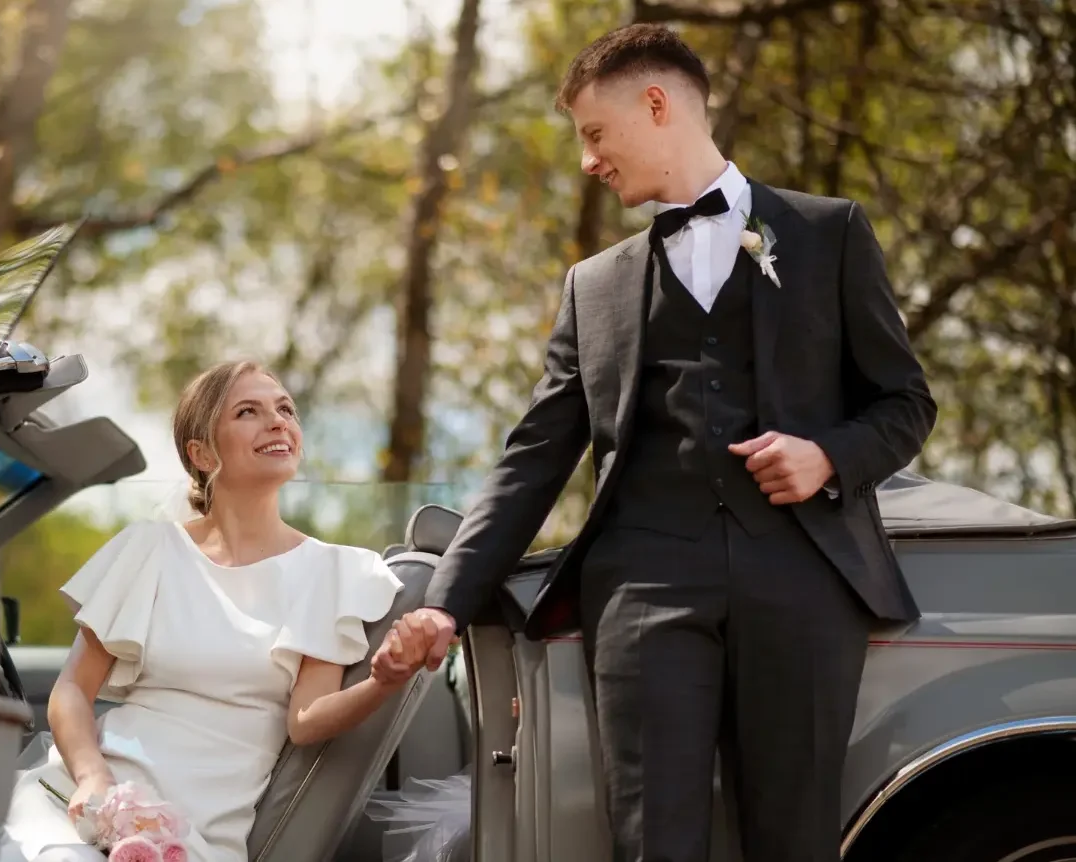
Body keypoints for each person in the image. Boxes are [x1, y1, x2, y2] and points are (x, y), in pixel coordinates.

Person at [373, 24, 937, 862]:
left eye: (595, 134)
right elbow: (534, 458)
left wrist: (829, 458)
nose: (588, 161)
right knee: (652, 845)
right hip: (643, 589)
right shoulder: (592, 286)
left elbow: (905, 402)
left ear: (657, 103)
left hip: (804, 584)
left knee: (796, 842)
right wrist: (442, 601)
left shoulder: (830, 234)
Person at [0, 360, 434, 862]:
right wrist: (93, 778)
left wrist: (384, 679)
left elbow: (306, 721)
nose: (277, 421)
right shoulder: (151, 549)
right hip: (82, 801)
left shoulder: (330, 571)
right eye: (248, 411)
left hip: (192, 836)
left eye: (285, 409)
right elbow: (73, 690)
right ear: (201, 453)